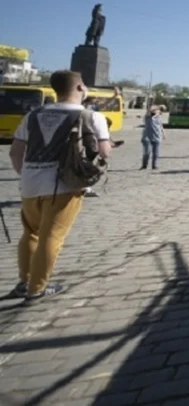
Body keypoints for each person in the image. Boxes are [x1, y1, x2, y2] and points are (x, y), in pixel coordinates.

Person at [6, 70, 112, 302]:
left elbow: (15, 152)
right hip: (63, 185)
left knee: (30, 234)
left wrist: (26, 174)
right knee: (51, 237)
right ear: (79, 87)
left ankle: (24, 281)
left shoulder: (34, 115)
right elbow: (104, 152)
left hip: (29, 183)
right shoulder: (92, 117)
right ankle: (37, 288)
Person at [141, 105, 165, 170]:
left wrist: (163, 133)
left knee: (156, 153)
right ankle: (144, 165)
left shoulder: (159, 117)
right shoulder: (148, 117)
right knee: (147, 152)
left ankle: (154, 166)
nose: (156, 111)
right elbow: (149, 109)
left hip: (157, 137)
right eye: (155, 110)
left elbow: (160, 126)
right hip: (147, 137)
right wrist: (158, 107)